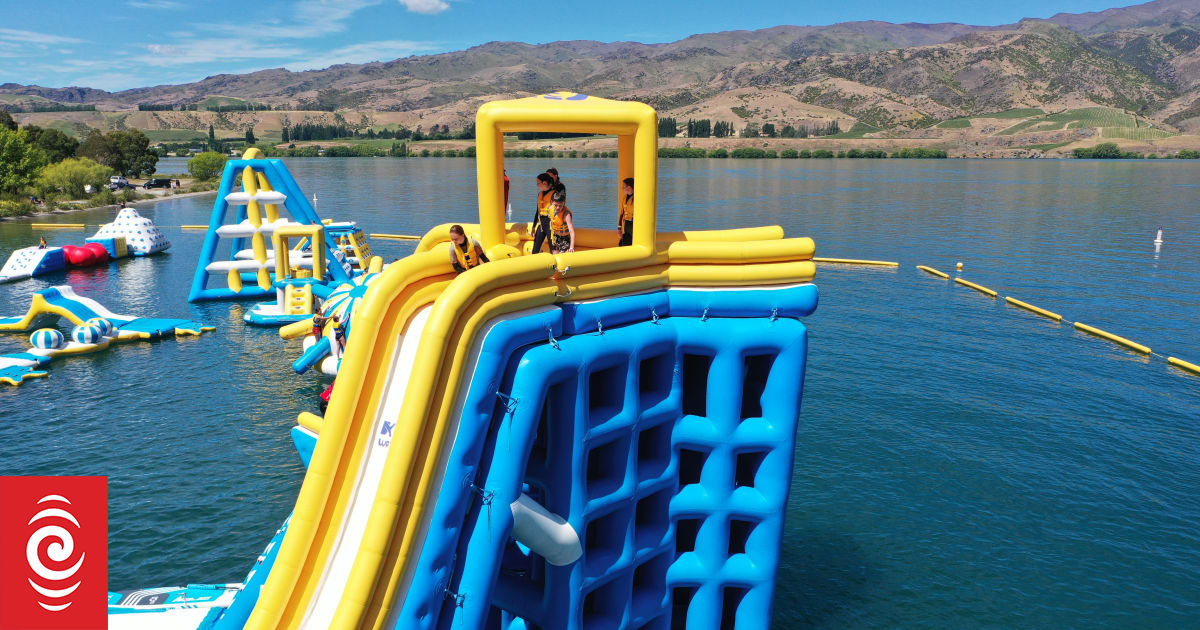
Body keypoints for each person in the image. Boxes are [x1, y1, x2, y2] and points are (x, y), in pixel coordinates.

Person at [530, 173, 556, 253]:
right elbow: (538, 211)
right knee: (535, 249)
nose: (537, 185)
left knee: (553, 248)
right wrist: (534, 226)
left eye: (538, 183)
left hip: (551, 224)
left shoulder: (555, 194)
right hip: (541, 224)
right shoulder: (540, 194)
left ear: (544, 183)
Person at [616, 177, 634, 246]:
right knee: (622, 243)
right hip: (626, 225)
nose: (622, 188)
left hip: (634, 225)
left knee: (631, 244)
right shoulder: (624, 197)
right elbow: (621, 214)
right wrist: (619, 228)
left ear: (629, 187)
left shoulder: (637, 197)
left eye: (624, 186)